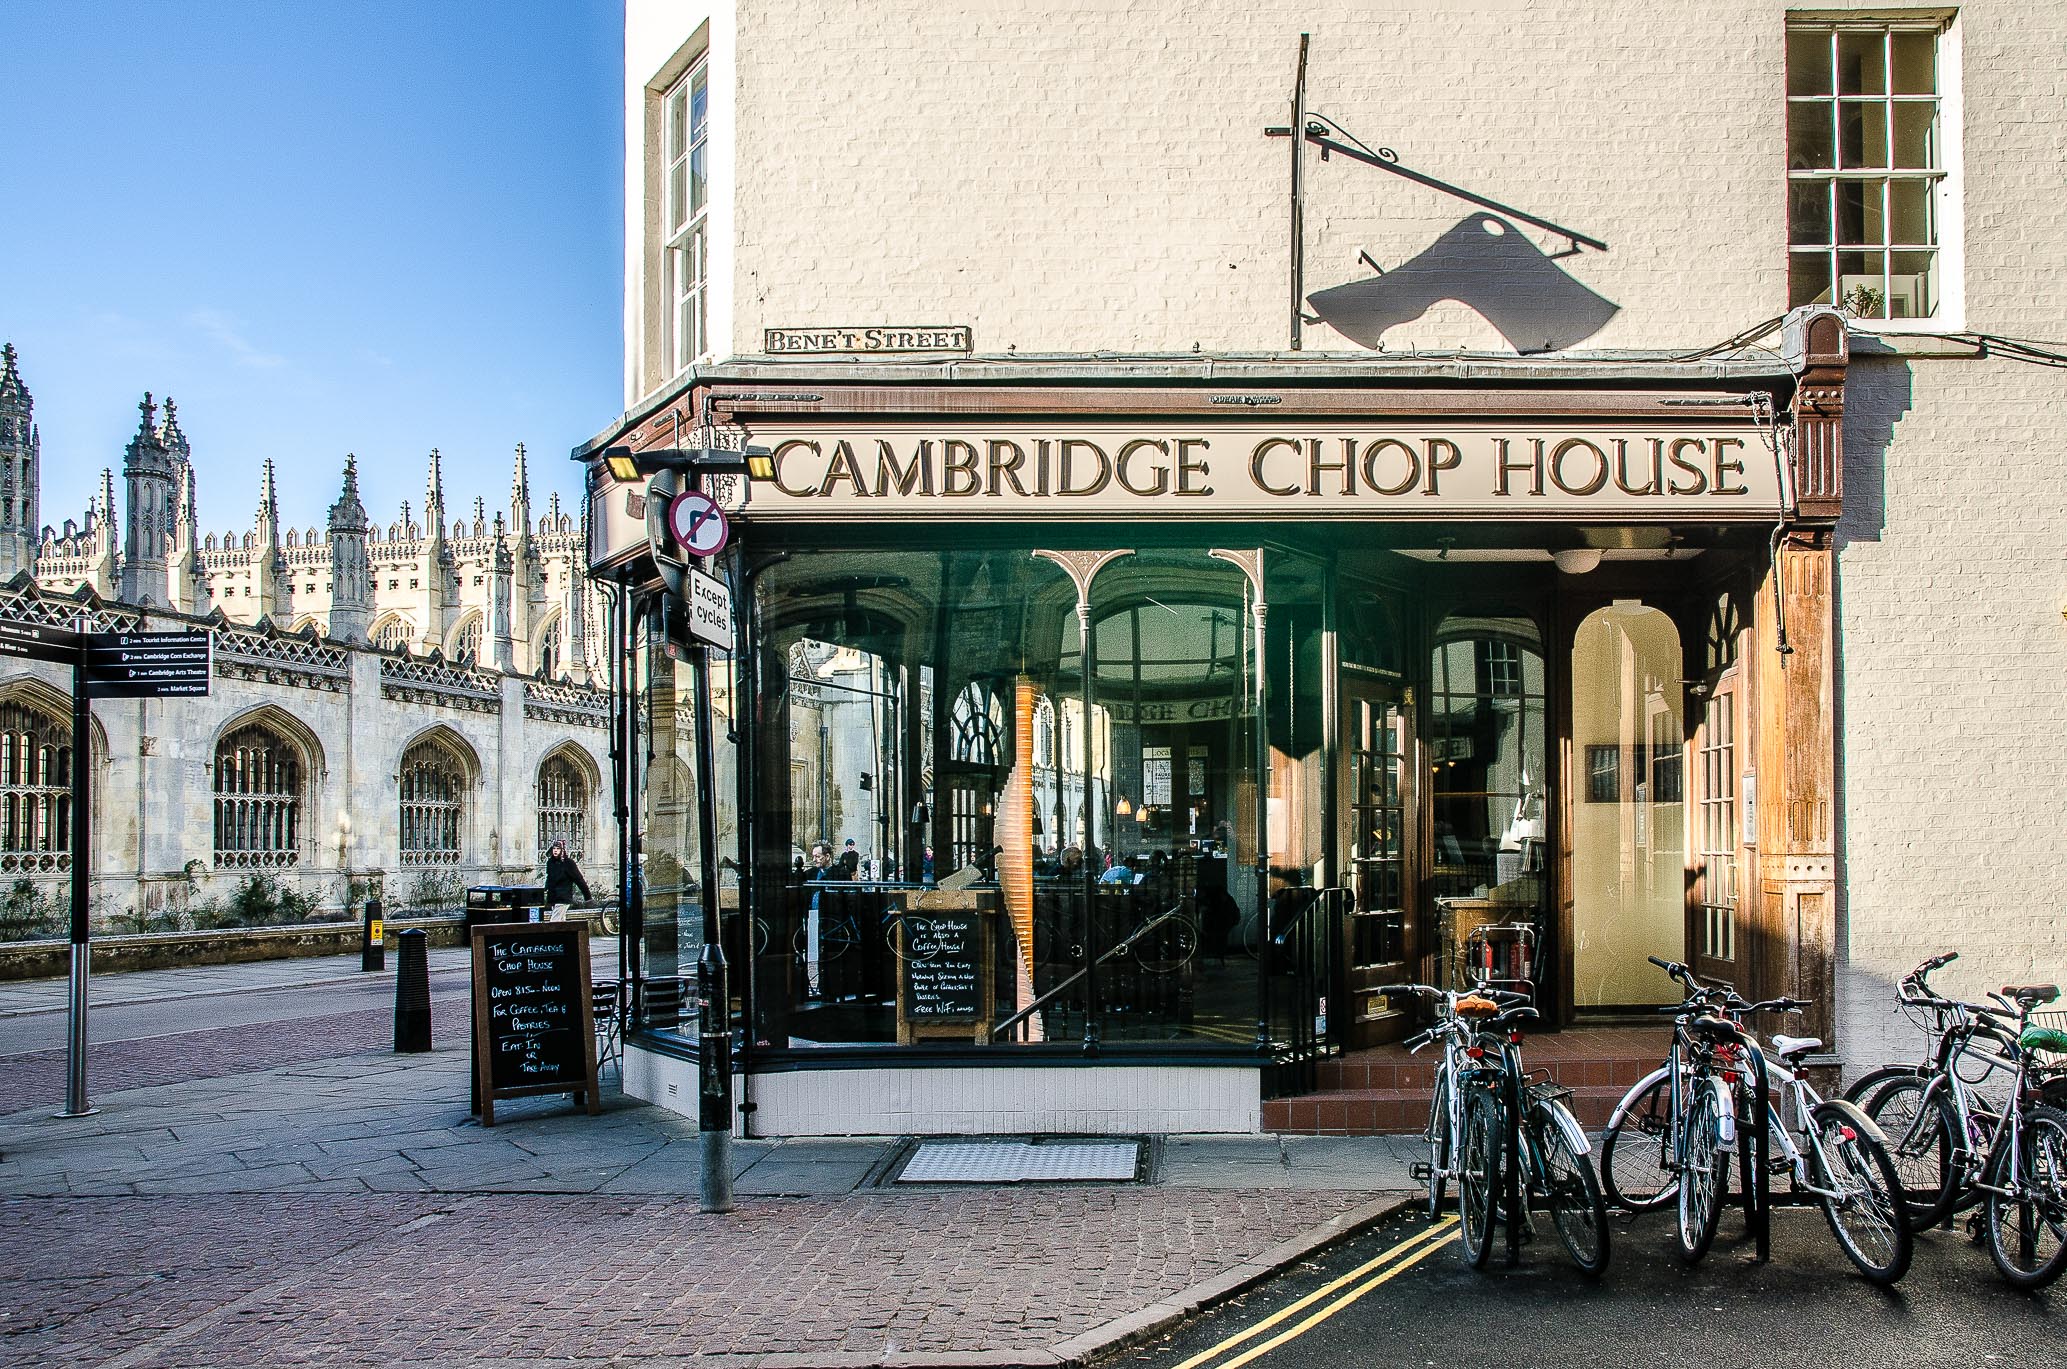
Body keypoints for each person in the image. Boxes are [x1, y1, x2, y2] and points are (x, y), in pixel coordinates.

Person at [544, 840, 590, 920]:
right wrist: (545, 889)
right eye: (554, 848)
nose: (555, 850)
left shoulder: (568, 863)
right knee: (561, 923)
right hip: (553, 898)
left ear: (562, 850)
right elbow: (549, 878)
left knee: (554, 922)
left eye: (558, 848)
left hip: (563, 897)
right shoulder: (550, 862)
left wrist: (587, 896)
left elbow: (579, 879)